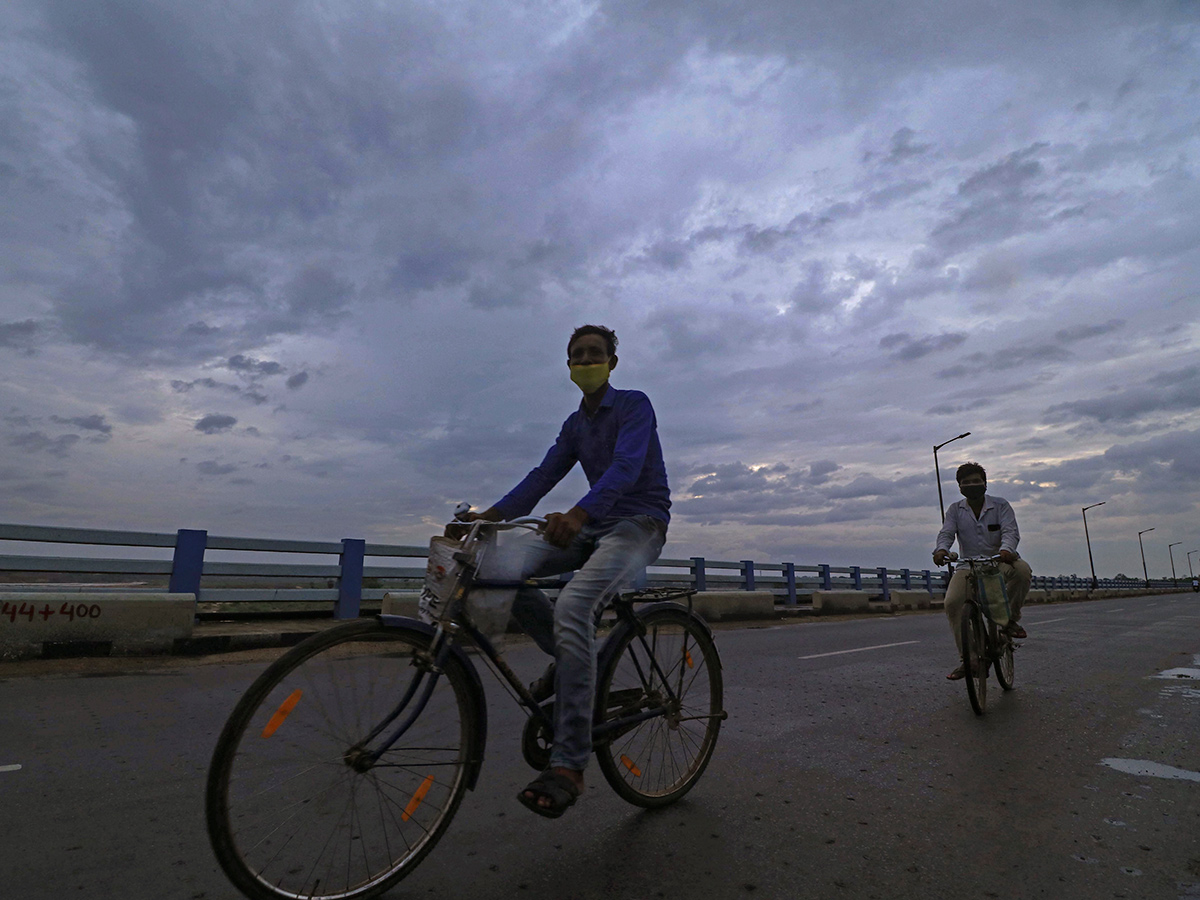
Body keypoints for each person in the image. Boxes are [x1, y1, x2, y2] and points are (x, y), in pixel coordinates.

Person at [457, 324, 670, 818]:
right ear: (568, 365)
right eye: (577, 355)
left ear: (612, 363)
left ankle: (570, 765)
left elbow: (625, 466)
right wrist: (488, 518)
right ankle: (575, 659)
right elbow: (543, 475)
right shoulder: (576, 425)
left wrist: (578, 514)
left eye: (595, 354)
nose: (586, 361)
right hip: (592, 524)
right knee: (499, 566)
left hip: (638, 523)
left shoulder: (635, 405)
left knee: (574, 603)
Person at [932, 462, 1033, 681]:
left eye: (976, 481)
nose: (972, 485)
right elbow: (947, 533)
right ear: (959, 487)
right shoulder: (955, 510)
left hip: (999, 561)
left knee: (1022, 571)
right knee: (952, 603)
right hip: (968, 565)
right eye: (966, 482)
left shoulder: (1000, 506)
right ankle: (970, 661)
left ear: (985, 483)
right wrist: (941, 550)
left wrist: (1006, 550)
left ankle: (1010, 622)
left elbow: (1010, 532)